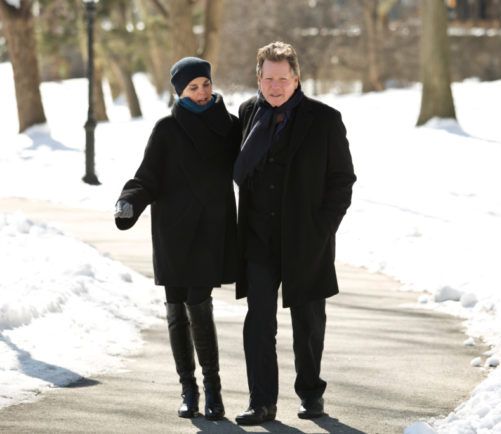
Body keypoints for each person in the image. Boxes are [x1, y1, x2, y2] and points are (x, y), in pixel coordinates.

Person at [233, 41, 356, 425]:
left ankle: (311, 394)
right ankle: (261, 402)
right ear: (258, 78)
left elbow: (342, 180)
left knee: (308, 323)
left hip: (306, 239)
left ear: (296, 78)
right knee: (259, 321)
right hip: (257, 238)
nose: (275, 86)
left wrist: (323, 228)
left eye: (282, 78)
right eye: (268, 78)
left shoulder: (324, 119)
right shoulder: (248, 113)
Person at [114, 57, 240, 421]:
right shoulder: (166, 129)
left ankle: (214, 390)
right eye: (193, 88)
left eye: (205, 84)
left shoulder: (230, 127)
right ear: (180, 93)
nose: (202, 93)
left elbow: (250, 167)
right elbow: (147, 177)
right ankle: (188, 388)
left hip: (210, 231)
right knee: (175, 310)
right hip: (173, 231)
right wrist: (128, 201)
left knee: (199, 306)